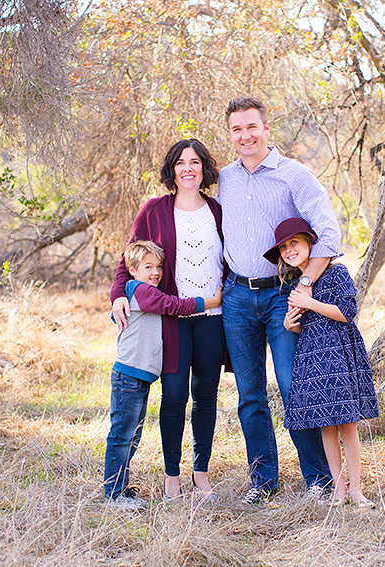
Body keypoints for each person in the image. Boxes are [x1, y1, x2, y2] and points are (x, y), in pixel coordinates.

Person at [217, 95, 340, 504]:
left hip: (282, 296)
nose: (245, 135)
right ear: (230, 134)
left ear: (267, 128)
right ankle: (262, 481)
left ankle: (318, 481)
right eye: (237, 129)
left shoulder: (294, 176)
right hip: (235, 296)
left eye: (252, 126)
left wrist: (305, 285)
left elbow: (328, 233)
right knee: (250, 395)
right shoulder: (225, 179)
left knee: (293, 387)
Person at [111, 139, 226, 501]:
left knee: (205, 395)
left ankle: (201, 473)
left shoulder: (219, 211)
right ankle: (172, 476)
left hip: (213, 317)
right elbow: (125, 261)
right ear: (172, 170)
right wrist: (118, 296)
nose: (187, 168)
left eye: (194, 162)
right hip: (172, 319)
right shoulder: (154, 211)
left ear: (204, 168)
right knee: (174, 396)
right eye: (180, 163)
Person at [265, 217, 379, 508]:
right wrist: (292, 326)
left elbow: (346, 312)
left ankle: (356, 489)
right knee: (326, 426)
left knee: (347, 424)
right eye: (284, 248)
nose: (290, 250)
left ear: (310, 244)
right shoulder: (291, 285)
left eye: (295, 243)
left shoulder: (336, 272)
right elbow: (308, 324)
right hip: (312, 355)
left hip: (340, 351)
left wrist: (309, 302)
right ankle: (338, 490)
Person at [105, 240, 222, 509]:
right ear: (132, 270)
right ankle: (113, 493)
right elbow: (174, 306)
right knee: (122, 435)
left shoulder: (138, 293)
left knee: (131, 435)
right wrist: (212, 301)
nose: (156, 272)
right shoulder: (142, 291)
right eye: (148, 267)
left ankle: (120, 489)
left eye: (159, 266)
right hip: (129, 376)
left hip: (139, 376)